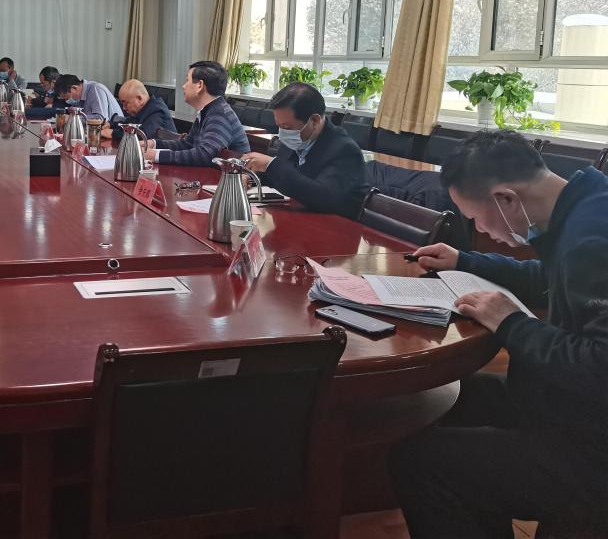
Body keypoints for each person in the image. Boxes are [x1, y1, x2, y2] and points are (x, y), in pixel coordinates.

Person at [389, 130, 608, 537]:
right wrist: (465, 261)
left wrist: (510, 323)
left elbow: (600, 366)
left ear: (506, 199)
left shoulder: (592, 239)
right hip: (573, 406)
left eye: (475, 218)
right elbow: (551, 278)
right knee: (454, 398)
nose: (481, 229)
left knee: (423, 464)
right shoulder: (586, 202)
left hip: (592, 448)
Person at [240, 83, 368, 218]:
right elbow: (280, 177)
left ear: (315, 120)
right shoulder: (295, 139)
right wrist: (251, 177)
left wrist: (270, 165)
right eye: (279, 126)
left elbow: (323, 198)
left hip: (332, 225)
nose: (283, 133)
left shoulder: (344, 150)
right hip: (295, 217)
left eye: (287, 127)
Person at [145, 61, 248, 166]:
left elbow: (206, 154)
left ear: (200, 85)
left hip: (232, 176)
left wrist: (155, 156)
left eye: (187, 80)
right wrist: (152, 144)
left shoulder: (220, 114)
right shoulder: (209, 110)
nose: (183, 86)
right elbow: (187, 144)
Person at [102, 79, 175, 142]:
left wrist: (113, 134)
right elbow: (128, 124)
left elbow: (142, 136)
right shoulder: (142, 109)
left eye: (126, 103)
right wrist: (111, 125)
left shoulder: (157, 111)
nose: (123, 108)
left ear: (139, 98)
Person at [54, 73, 123, 121]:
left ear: (74, 88)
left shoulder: (95, 89)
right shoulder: (80, 98)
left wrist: (72, 118)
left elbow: (100, 118)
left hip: (114, 131)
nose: (66, 100)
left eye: (66, 96)